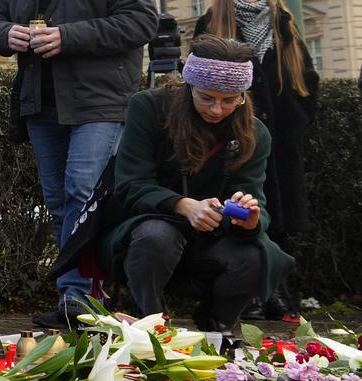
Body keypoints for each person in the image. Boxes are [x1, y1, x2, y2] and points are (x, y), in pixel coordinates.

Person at [0, 0, 156, 329]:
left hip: (99, 103)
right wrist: (8, 35)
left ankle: (88, 298)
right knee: (59, 201)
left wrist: (68, 37)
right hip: (41, 101)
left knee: (84, 194)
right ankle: (72, 298)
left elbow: (142, 22)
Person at [60, 37, 289, 330]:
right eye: (206, 97)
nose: (217, 109)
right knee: (157, 236)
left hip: (211, 239)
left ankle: (218, 328)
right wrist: (184, 206)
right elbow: (130, 184)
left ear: (243, 95)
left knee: (258, 254)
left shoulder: (255, 133)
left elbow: (255, 198)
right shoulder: (150, 107)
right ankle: (152, 326)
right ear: (189, 85)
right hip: (139, 234)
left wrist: (248, 219)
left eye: (229, 99)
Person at [194, 0, 318, 321]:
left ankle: (276, 292)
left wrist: (298, 118)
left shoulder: (282, 23)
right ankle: (251, 294)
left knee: (279, 217)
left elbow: (306, 77)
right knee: (242, 209)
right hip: (234, 133)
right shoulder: (214, 23)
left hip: (280, 137)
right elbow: (198, 80)